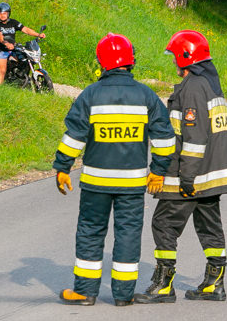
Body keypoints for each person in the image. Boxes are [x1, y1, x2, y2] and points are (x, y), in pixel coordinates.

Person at [53, 33, 176, 307]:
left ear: (102, 62)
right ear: (130, 61)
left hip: (96, 183)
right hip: (132, 184)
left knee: (90, 232)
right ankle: (123, 295)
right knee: (129, 234)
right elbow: (165, 140)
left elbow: (74, 136)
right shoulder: (146, 96)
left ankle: (85, 292)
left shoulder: (91, 95)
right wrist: (157, 171)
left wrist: (62, 167)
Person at [134, 30, 227, 304]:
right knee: (209, 226)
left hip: (193, 175)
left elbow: (193, 137)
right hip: (210, 174)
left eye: (175, 56)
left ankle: (163, 284)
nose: (173, 61)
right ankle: (214, 284)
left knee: (163, 223)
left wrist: (187, 179)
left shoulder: (193, 87)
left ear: (186, 57)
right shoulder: (207, 83)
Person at [0, 2, 45, 85]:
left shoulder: (13, 22)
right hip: (0, 50)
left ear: (8, 13)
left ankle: (20, 79)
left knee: (24, 60)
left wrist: (38, 34)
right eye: (0, 14)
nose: (2, 15)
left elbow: (25, 29)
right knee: (2, 70)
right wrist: (6, 43)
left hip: (13, 49)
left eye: (4, 13)